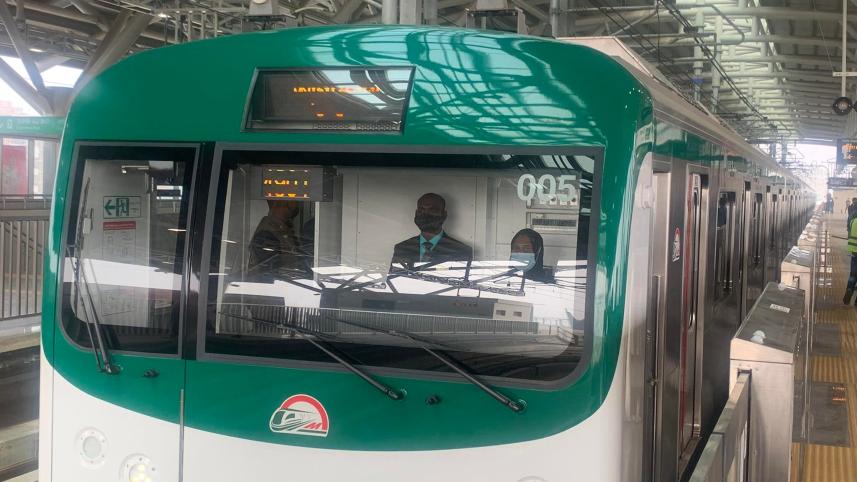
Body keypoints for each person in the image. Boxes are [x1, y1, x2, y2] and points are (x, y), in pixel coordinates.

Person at [390, 193, 472, 269]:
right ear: (416, 213)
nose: (426, 214)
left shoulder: (461, 250)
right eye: (422, 210)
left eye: (433, 210)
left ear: (444, 214)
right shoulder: (402, 248)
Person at [247, 199, 306, 281]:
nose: (289, 214)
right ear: (274, 206)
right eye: (287, 207)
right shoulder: (267, 232)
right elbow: (267, 268)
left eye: (292, 211)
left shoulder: (284, 229)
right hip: (273, 284)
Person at [846, 212, 857, 305]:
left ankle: (849, 290)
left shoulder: (853, 221)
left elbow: (849, 231)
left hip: (854, 251)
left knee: (853, 274)